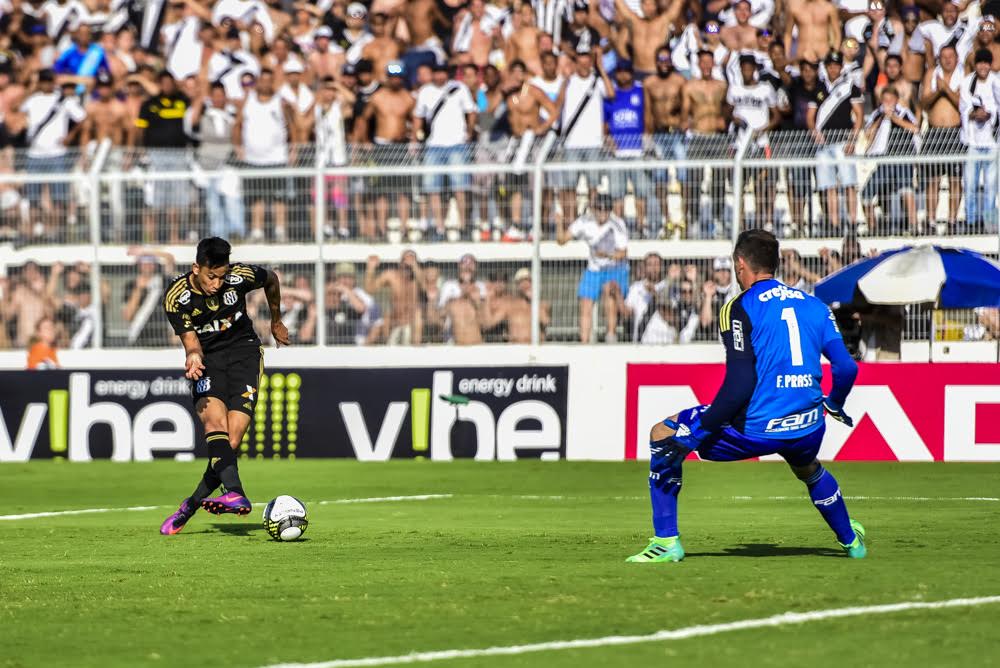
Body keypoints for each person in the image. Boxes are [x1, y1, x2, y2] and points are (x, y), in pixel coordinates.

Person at [626, 229, 865, 563]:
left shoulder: (738, 308)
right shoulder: (815, 306)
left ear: (740, 264)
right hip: (808, 426)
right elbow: (846, 368)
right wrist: (834, 403)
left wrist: (698, 433)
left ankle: (666, 542)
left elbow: (740, 384)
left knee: (662, 435)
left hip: (756, 429)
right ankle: (851, 540)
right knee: (808, 467)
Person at [159, 237, 289, 535]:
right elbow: (191, 340)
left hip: (244, 354)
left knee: (228, 446)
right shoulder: (176, 296)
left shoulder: (238, 276)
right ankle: (236, 492)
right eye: (211, 276)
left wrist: (276, 320)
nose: (217, 283)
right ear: (196, 268)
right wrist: (192, 355)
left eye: (221, 276)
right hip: (208, 359)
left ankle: (189, 506)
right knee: (213, 426)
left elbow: (271, 279)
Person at [413, 63, 476, 240]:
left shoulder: (459, 88)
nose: (440, 77)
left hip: (457, 144)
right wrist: (415, 138)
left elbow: (471, 111)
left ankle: (463, 226)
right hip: (434, 146)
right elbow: (418, 116)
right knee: (433, 189)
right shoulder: (425, 91)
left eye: (443, 73)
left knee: (460, 187)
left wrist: (469, 132)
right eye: (437, 73)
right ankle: (439, 227)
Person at [233, 67, 297, 242]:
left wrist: (293, 148)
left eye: (270, 80)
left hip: (277, 157)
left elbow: (292, 126)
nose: (266, 84)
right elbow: (238, 124)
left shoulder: (280, 102)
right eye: (263, 80)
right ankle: (257, 231)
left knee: (279, 197)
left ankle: (280, 230)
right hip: (253, 159)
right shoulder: (248, 100)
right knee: (256, 196)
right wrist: (238, 147)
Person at [556, 192, 628, 343]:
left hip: (614, 269)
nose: (603, 212)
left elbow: (623, 253)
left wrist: (607, 255)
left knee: (609, 293)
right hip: (594, 269)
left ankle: (610, 336)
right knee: (585, 302)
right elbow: (562, 240)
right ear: (593, 209)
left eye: (606, 209)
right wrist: (558, 223)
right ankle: (584, 342)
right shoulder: (584, 221)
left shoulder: (618, 224)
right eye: (599, 209)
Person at [807, 50, 863, 237]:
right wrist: (814, 131)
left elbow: (859, 114)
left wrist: (853, 139)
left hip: (843, 142)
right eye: (830, 65)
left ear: (840, 67)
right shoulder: (818, 88)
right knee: (828, 186)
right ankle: (834, 223)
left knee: (849, 183)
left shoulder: (849, 86)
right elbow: (810, 115)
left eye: (836, 65)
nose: (833, 69)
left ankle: (853, 221)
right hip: (824, 145)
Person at [862, 86, 919, 235]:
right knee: (866, 194)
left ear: (896, 100)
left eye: (890, 100)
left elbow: (914, 128)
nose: (887, 103)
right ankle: (873, 228)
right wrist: (882, 118)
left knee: (906, 189)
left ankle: (913, 226)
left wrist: (894, 119)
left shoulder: (904, 112)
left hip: (902, 158)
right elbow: (868, 134)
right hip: (884, 161)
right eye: (885, 100)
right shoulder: (877, 114)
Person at [920, 44, 963, 233]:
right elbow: (924, 102)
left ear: (956, 58)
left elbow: (963, 103)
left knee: (955, 179)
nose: (947, 60)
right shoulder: (932, 74)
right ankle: (930, 221)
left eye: (950, 56)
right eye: (944, 56)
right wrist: (938, 91)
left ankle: (952, 221)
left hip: (955, 132)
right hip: (934, 133)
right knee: (933, 179)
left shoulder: (963, 74)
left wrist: (946, 89)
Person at [959, 48, 1000, 233]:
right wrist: (974, 114)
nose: (983, 66)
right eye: (980, 62)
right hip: (973, 142)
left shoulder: (997, 81)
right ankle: (971, 221)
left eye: (986, 62)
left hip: (992, 142)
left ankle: (989, 223)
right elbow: (964, 107)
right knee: (970, 183)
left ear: (990, 65)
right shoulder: (968, 82)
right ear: (975, 65)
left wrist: (989, 114)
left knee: (991, 185)